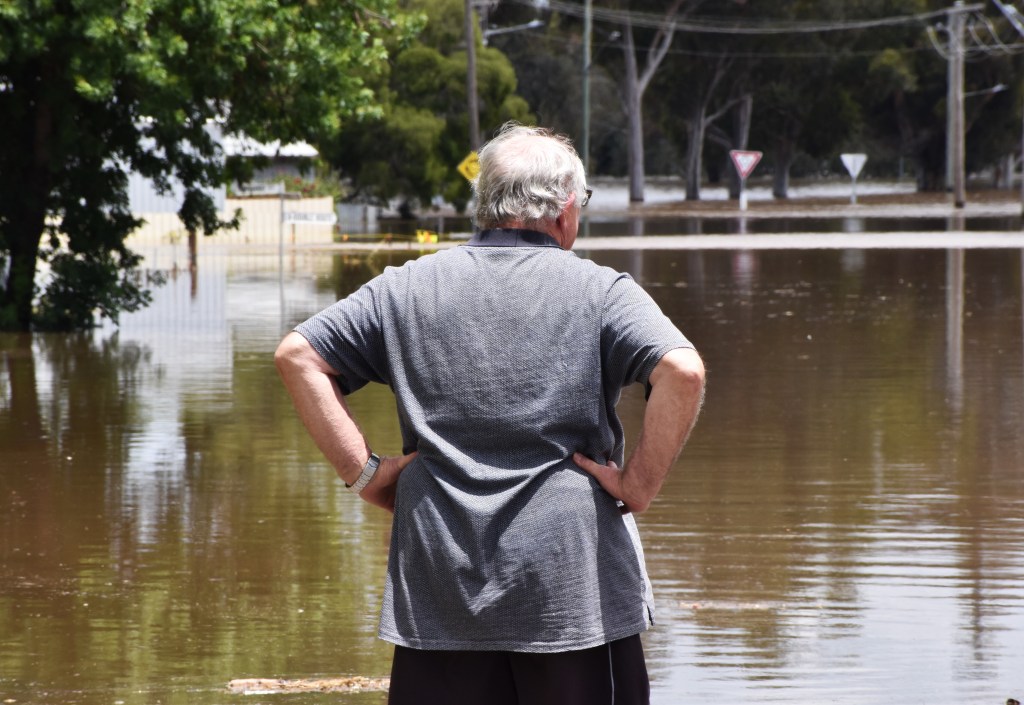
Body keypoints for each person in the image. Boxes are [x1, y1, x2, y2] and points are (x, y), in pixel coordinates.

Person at [274, 122, 705, 705]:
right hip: (570, 591)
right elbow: (682, 371)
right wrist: (640, 485)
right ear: (566, 210)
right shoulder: (602, 291)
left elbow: (298, 355)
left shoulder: (404, 288)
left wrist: (366, 473)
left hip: (439, 587)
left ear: (484, 203)